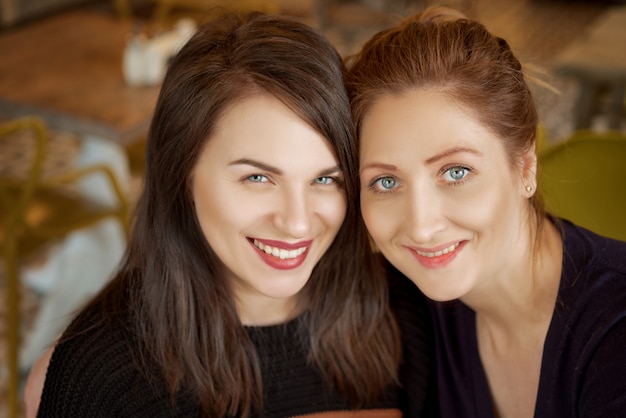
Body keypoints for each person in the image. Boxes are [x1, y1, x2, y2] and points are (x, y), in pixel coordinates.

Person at [33, 12, 408, 417]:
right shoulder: (102, 376)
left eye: (325, 179)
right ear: (184, 175)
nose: (297, 222)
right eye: (258, 177)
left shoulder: (405, 311)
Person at [347, 5, 626, 418]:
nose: (422, 227)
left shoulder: (615, 326)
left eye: (455, 171)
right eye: (386, 182)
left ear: (525, 163)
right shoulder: (397, 303)